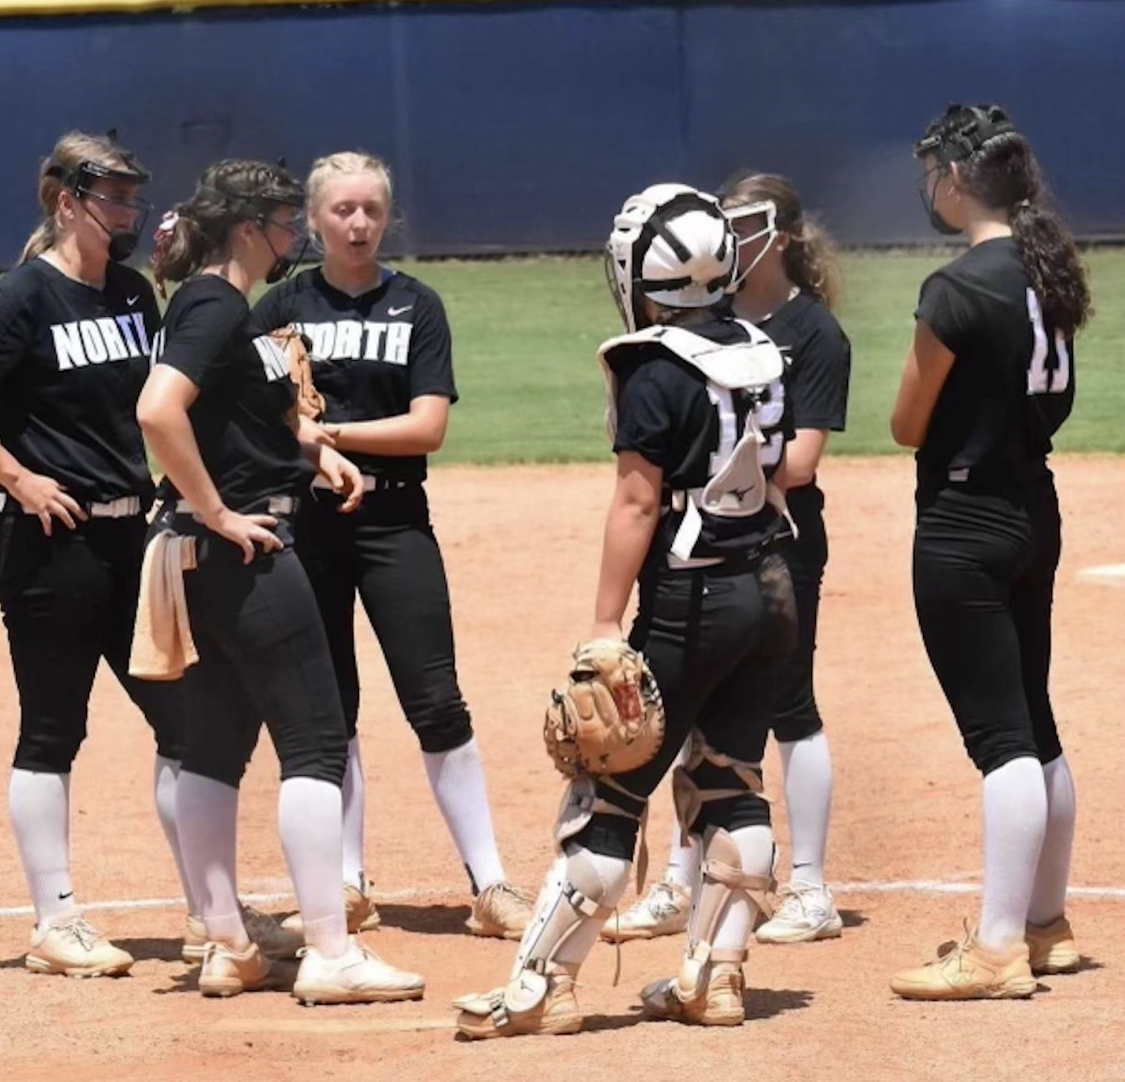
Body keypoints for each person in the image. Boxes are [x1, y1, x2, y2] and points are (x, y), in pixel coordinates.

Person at [452, 183, 797, 1038]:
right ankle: (717, 979)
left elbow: (638, 504)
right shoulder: (760, 349)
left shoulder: (653, 365)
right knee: (734, 783)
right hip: (769, 591)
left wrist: (606, 623)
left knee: (607, 795)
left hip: (689, 600)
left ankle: (542, 989)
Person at [137, 158, 424, 1004]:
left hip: (216, 557)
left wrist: (317, 450)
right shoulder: (216, 303)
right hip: (245, 552)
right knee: (314, 743)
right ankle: (332, 953)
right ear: (244, 228)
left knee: (215, 750)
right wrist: (221, 512)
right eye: (280, 219)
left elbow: (242, 416)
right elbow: (159, 409)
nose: (293, 232)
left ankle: (227, 943)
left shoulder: (222, 306)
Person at [0, 131, 194, 977]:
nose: (127, 210)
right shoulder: (23, 297)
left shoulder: (127, 293)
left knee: (186, 721)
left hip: (129, 534)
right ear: (66, 200)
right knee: (53, 728)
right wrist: (17, 475)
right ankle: (56, 921)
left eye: (132, 196)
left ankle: (215, 910)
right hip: (48, 543)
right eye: (112, 196)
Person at [249, 151, 533, 939]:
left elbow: (426, 427)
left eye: (372, 208)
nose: (359, 223)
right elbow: (263, 419)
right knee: (329, 707)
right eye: (342, 210)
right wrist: (303, 440)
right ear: (312, 219)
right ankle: (346, 884)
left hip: (395, 521)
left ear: (389, 215)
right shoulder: (280, 307)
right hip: (308, 525)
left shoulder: (417, 304)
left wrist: (325, 432)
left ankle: (490, 883)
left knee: (436, 698)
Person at [605, 173, 851, 946]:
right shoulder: (716, 329)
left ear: (783, 236)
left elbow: (801, 460)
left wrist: (713, 487)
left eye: (747, 224)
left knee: (789, 707)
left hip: (775, 539)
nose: (730, 240)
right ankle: (683, 886)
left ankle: (809, 886)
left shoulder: (813, 334)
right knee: (693, 724)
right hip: (708, 546)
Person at [888, 103, 1090, 1000]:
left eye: (936, 170)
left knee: (1000, 740)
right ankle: (1046, 924)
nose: (930, 184)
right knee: (1035, 722)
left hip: (963, 526)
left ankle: (1000, 946)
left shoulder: (957, 285)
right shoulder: (1049, 270)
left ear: (960, 180)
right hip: (1031, 509)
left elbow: (906, 423)